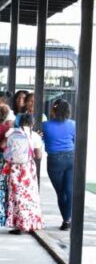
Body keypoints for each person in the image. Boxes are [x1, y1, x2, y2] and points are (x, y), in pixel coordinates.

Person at [5, 113, 44, 235]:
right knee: (30, 196)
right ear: (32, 123)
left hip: (15, 169)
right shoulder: (35, 136)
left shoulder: (12, 135)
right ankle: (30, 223)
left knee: (16, 196)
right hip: (28, 169)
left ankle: (18, 225)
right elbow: (38, 155)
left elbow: (6, 149)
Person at [43, 99, 75, 231]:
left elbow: (39, 140)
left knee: (61, 192)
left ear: (54, 109)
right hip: (71, 158)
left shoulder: (45, 125)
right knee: (69, 191)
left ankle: (66, 220)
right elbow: (76, 140)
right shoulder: (73, 124)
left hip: (54, 160)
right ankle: (68, 220)